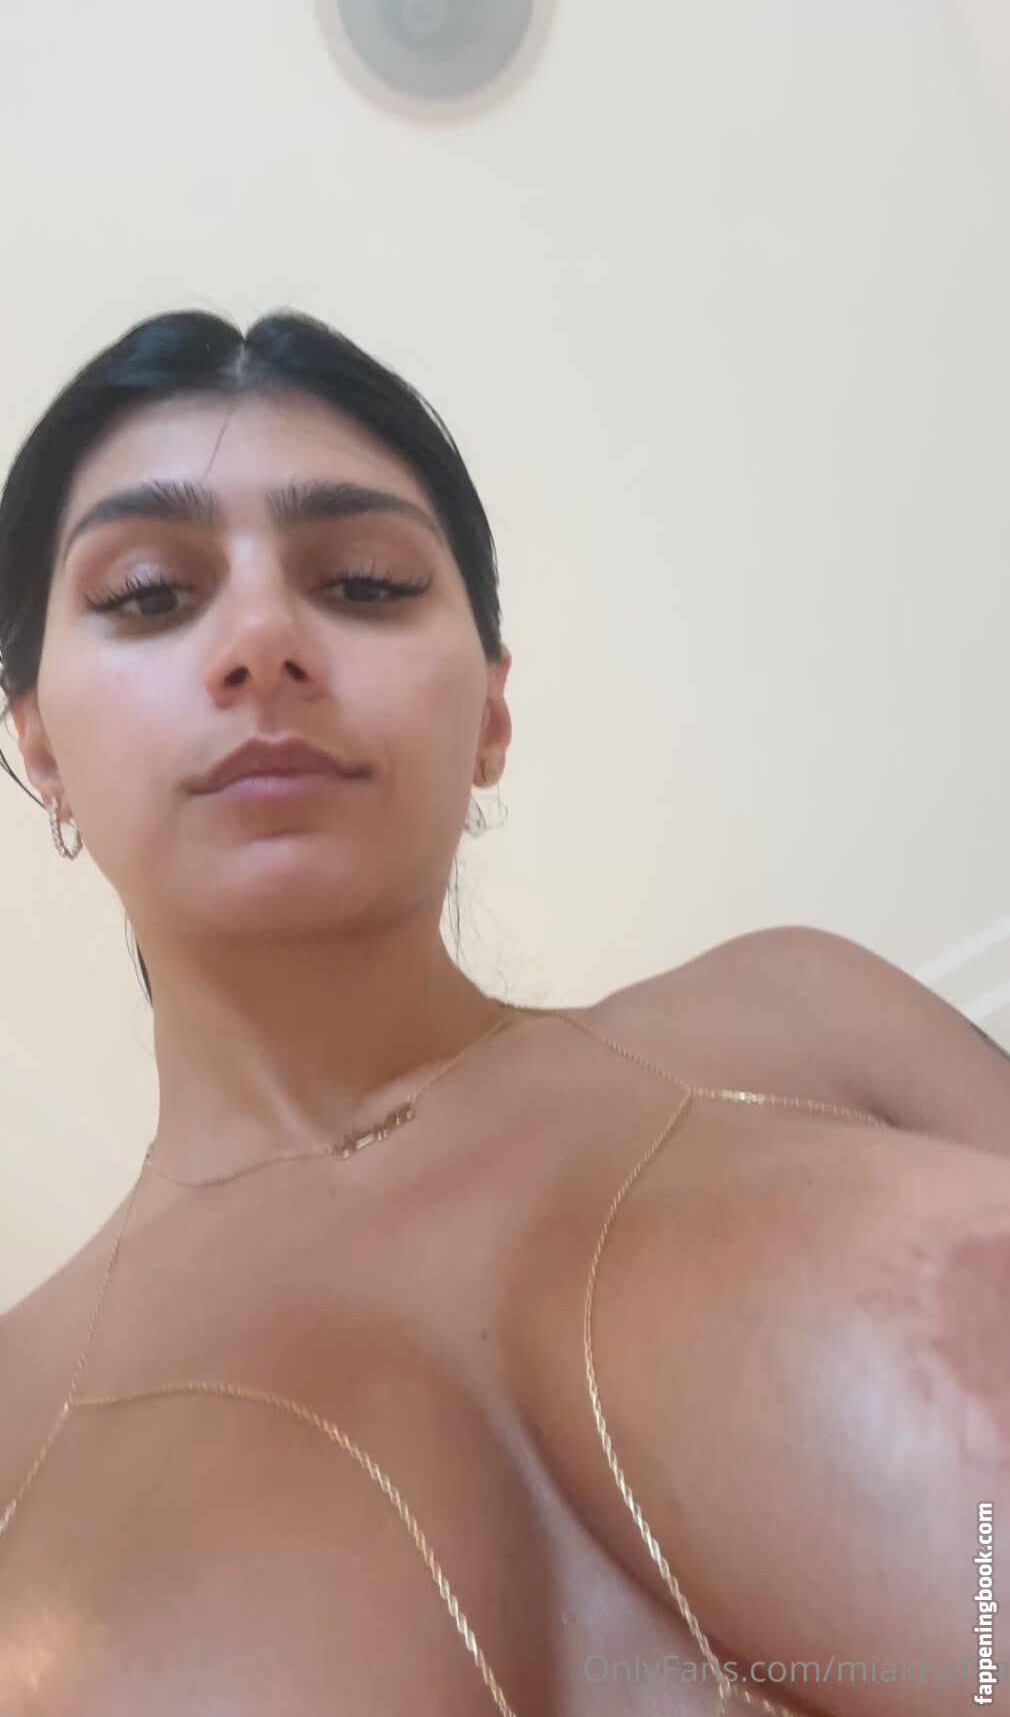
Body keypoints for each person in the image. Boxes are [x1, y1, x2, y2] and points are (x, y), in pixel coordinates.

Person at [0, 309, 1007, 1717]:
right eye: (152, 595)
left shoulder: (814, 1016)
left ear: (489, 710)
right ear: (38, 742)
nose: (263, 641)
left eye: (363, 582)